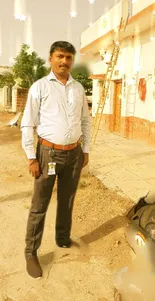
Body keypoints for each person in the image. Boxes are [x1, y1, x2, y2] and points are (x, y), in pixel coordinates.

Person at [21, 41, 91, 279]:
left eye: (69, 57)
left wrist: (86, 150)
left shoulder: (78, 88)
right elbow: (28, 124)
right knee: (39, 206)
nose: (64, 61)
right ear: (50, 58)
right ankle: (31, 253)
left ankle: (62, 239)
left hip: (73, 154)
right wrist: (32, 156)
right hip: (47, 153)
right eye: (60, 56)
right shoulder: (40, 87)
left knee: (67, 200)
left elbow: (85, 121)